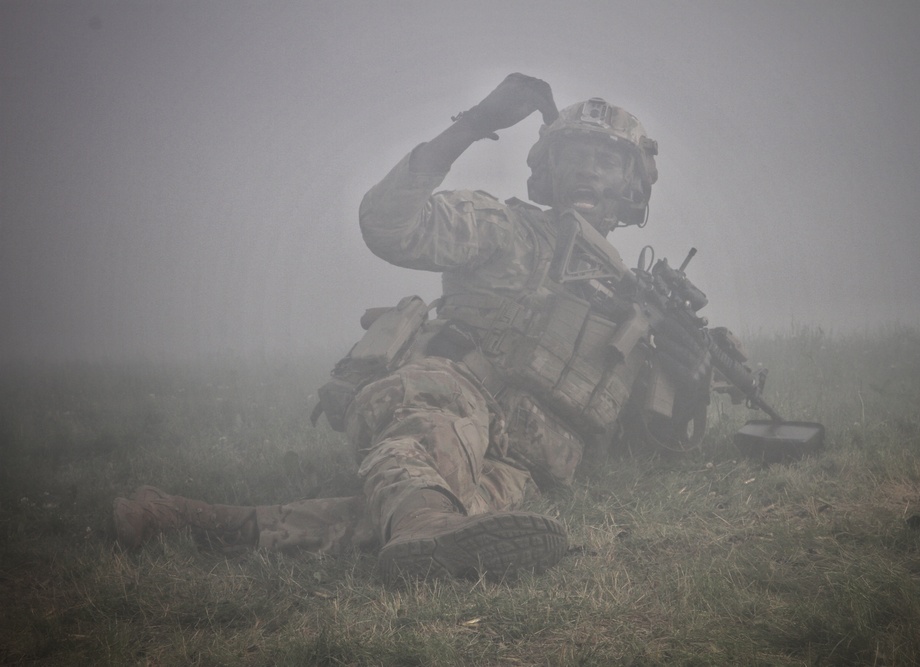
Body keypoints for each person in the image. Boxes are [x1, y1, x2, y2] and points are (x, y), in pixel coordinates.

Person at [113, 73, 673, 581]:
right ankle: (424, 527)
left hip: (525, 457)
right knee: (424, 453)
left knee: (431, 510)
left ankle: (184, 519)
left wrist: (684, 373)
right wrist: (474, 126)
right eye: (575, 153)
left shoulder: (632, 304)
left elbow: (627, 432)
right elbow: (388, 225)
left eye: (607, 160)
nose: (588, 169)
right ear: (547, 169)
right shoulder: (507, 228)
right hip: (451, 395)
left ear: (632, 186)